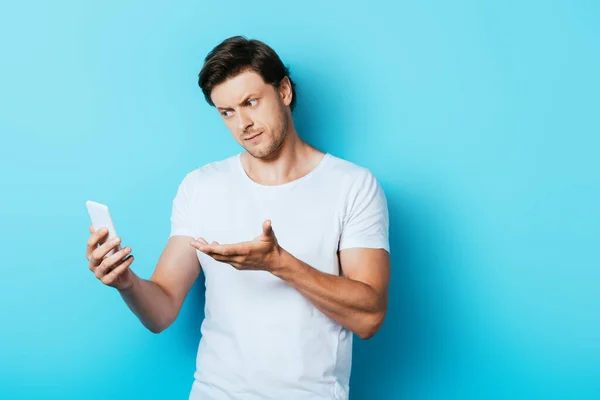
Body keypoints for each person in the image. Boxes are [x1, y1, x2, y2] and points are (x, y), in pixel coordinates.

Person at [85, 35, 391, 400]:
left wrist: (279, 264)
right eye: (227, 112)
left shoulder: (352, 186)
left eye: (250, 102)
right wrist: (126, 283)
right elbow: (162, 310)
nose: (242, 123)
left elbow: (369, 318)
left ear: (284, 91)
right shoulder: (201, 186)